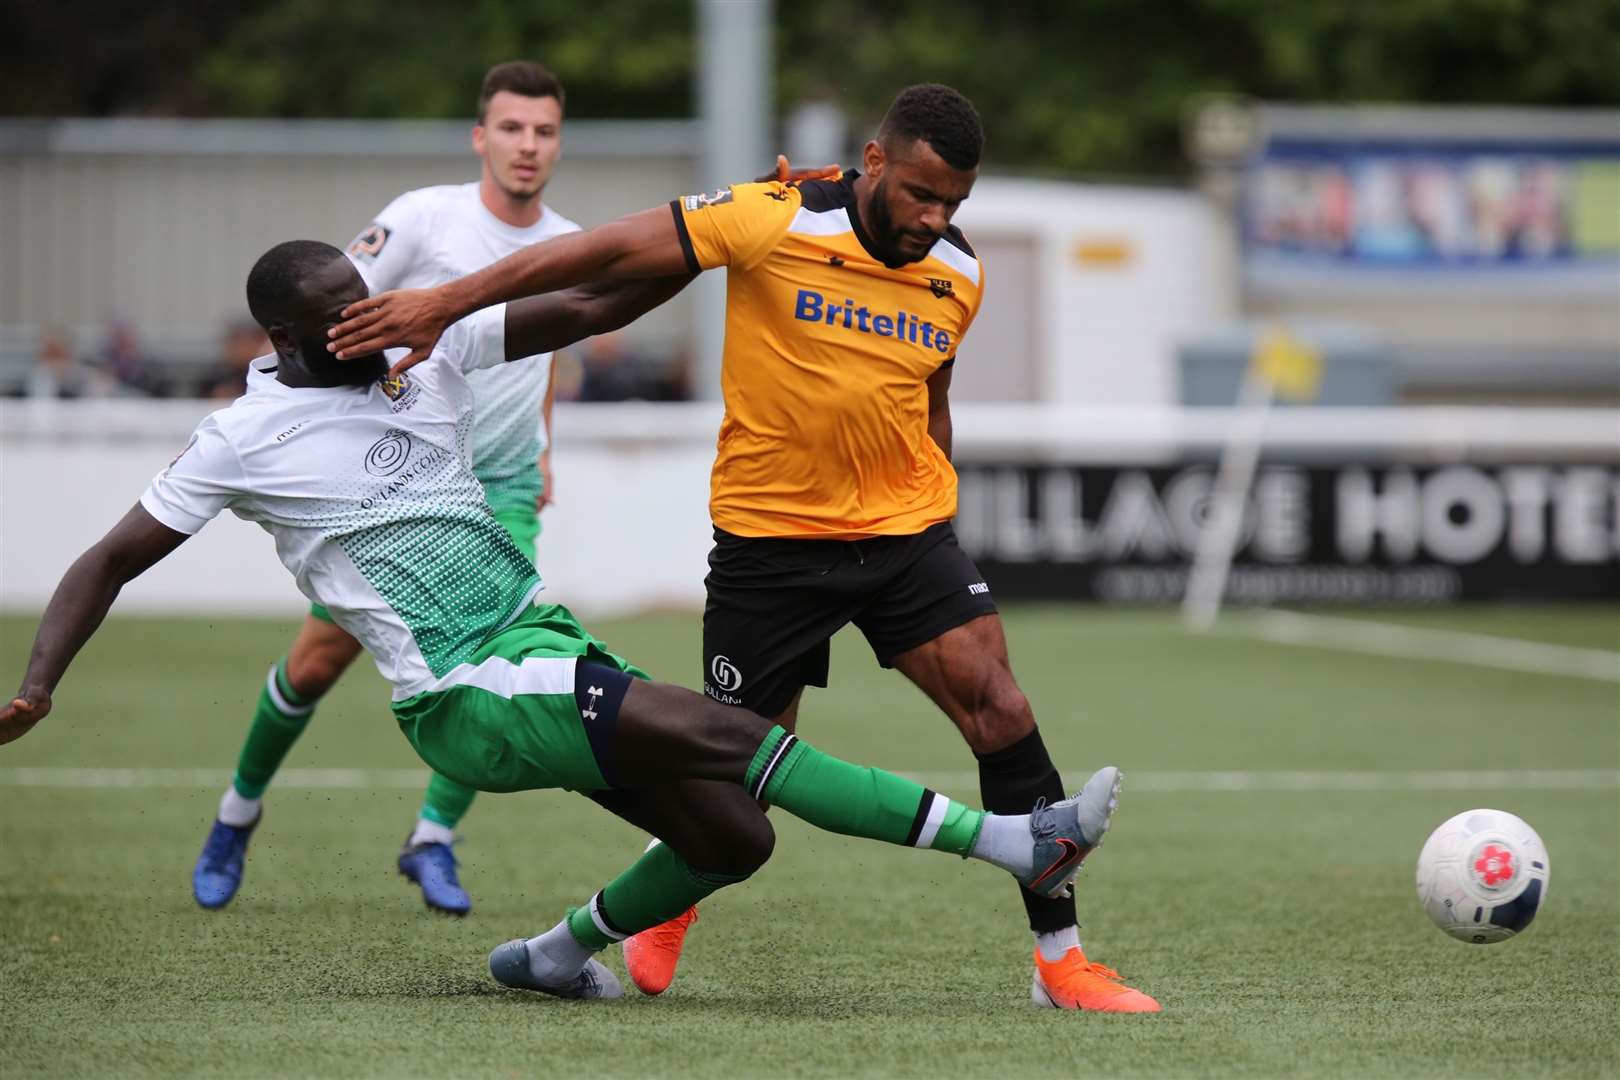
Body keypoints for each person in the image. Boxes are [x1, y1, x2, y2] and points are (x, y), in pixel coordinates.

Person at [0, 239, 1122, 1004]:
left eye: (371, 296)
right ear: (289, 336)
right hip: (461, 695)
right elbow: (108, 558)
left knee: (733, 835)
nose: (374, 317)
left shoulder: (422, 350)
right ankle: (1014, 841)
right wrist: (41, 683)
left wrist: (714, 244)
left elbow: (591, 306)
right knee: (726, 731)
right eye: (346, 312)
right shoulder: (241, 438)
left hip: (541, 641)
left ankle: (558, 953)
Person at [325, 83, 1159, 1011]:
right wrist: (448, 301)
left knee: (1000, 708)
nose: (935, 217)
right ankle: (647, 911)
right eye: (921, 193)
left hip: (903, 537)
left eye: (954, 201)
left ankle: (1062, 964)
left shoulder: (958, 271)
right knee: (738, 780)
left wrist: (941, 522)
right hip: (770, 550)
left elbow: (931, 392)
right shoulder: (771, 216)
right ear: (873, 162)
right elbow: (600, 263)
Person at [191, 61, 583, 917]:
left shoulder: (567, 240)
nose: (527, 146)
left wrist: (544, 445)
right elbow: (333, 315)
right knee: (317, 660)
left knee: (497, 664)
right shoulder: (422, 217)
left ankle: (433, 840)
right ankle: (236, 815)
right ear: (482, 136)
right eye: (511, 129)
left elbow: (540, 351)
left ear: (558, 142)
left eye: (544, 131)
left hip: (502, 488)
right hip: (399, 491)